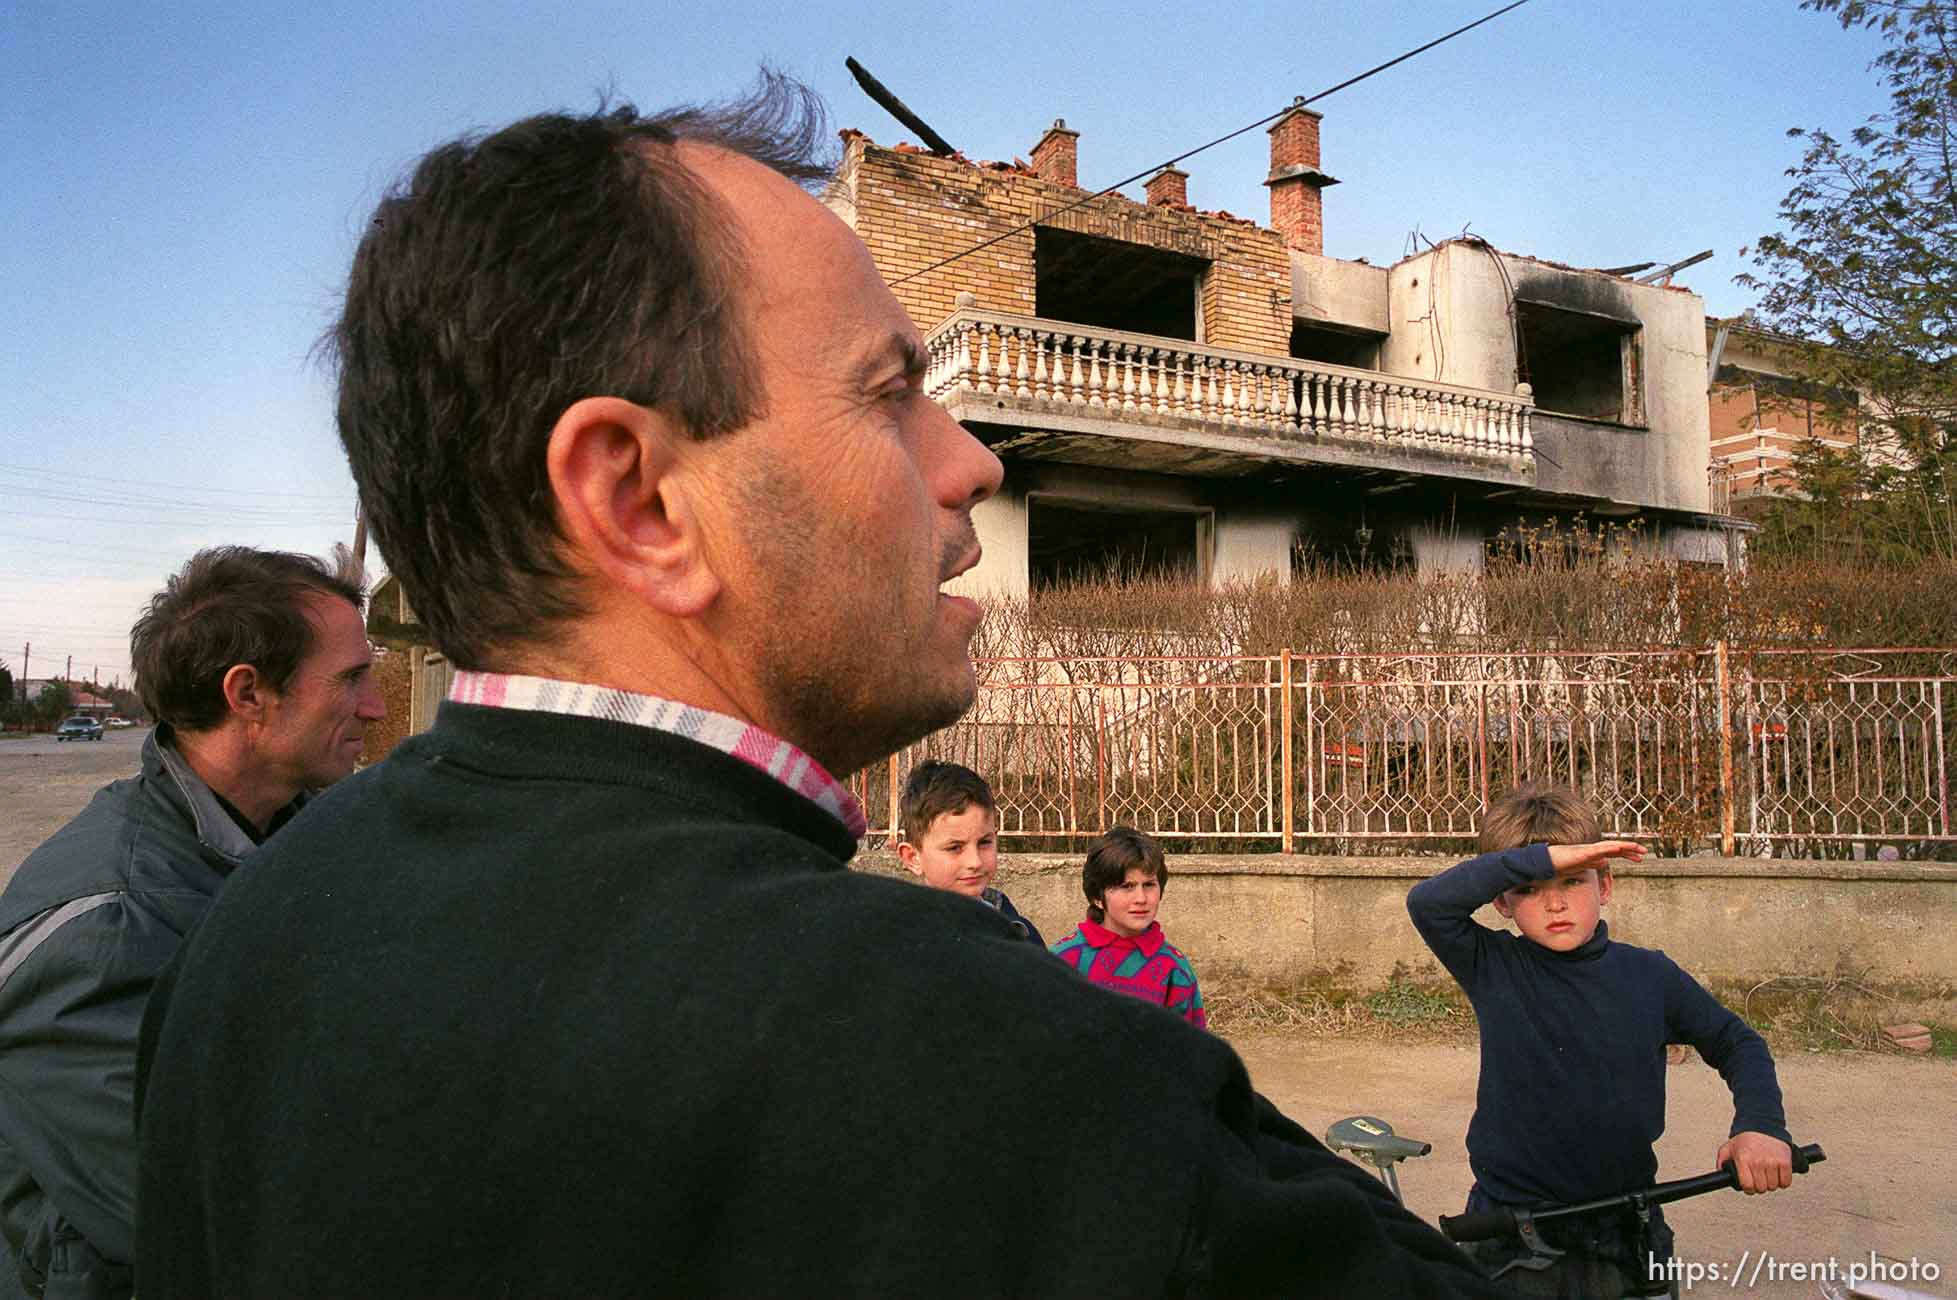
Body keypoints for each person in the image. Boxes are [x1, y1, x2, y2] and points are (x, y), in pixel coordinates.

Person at [136, 79, 1503, 1299]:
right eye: (888, 392)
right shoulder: (966, 1057)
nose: (968, 460)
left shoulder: (247, 941)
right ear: (641, 502)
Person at [0, 546, 377, 1300]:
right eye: (351, 679)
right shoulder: (107, 929)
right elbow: (204, 1212)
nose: (374, 705)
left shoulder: (300, 833)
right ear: (249, 695)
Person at [1406, 783, 1794, 1298]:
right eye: (1531, 886)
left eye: (1573, 880)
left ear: (1605, 884)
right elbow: (1428, 903)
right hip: (1511, 1232)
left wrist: (1761, 1127)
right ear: (1501, 901)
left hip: (1625, 1229)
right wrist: (1542, 856)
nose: (1556, 902)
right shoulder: (1494, 966)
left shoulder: (1649, 975)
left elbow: (1737, 1042)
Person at [1049, 825, 1206, 1028]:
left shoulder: (1174, 968)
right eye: (1127, 887)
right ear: (1097, 897)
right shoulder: (1063, 960)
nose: (1141, 899)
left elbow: (1193, 1047)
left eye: (1149, 885)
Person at [894, 759, 1043, 945]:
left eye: (984, 842)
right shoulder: (898, 946)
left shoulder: (1022, 934)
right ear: (913, 857)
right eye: (955, 848)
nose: (975, 862)